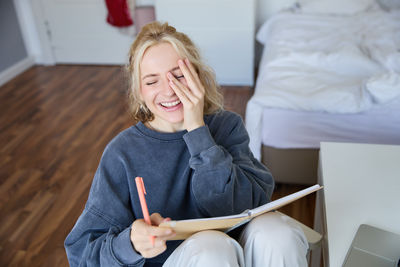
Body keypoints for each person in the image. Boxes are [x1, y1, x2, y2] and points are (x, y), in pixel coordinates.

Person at [64, 21, 309, 267]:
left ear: (198, 77)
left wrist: (198, 131)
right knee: (211, 246)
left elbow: (247, 206)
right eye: (152, 81)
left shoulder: (227, 126)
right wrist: (130, 244)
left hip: (239, 254)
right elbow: (81, 254)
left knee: (277, 232)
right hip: (189, 259)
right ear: (138, 91)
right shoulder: (122, 153)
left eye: (179, 75)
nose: (170, 91)